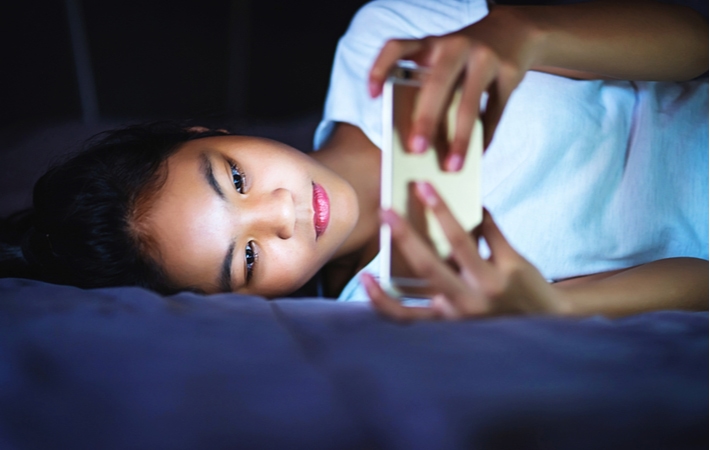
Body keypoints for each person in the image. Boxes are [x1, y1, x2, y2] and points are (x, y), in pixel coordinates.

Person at [0, 0, 707, 320]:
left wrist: (523, 32)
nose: (280, 216)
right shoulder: (389, 307)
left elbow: (697, 40)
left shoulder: (382, 44)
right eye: (245, 262)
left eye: (235, 179)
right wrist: (552, 309)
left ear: (206, 129)